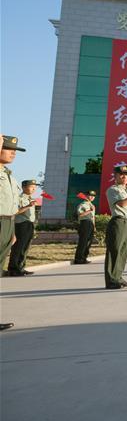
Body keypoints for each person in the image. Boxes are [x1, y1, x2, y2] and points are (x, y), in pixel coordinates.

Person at [0, 134, 26, 330]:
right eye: (8, 148)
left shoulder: (10, 175)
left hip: (8, 223)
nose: (13, 153)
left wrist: (12, 229)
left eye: (15, 150)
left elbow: (12, 205)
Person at [105, 164, 127, 289]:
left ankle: (118, 277)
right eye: (121, 174)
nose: (124, 176)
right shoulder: (113, 189)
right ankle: (111, 280)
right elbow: (122, 204)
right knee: (114, 251)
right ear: (115, 176)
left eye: (126, 174)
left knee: (123, 251)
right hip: (118, 222)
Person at [7, 179, 37, 276]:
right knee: (18, 247)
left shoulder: (30, 198)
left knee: (26, 247)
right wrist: (28, 206)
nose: (34, 188)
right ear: (24, 187)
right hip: (21, 224)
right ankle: (13, 269)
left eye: (34, 187)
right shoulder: (19, 198)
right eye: (31, 186)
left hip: (30, 224)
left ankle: (21, 267)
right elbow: (15, 211)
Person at [74, 190, 97, 264]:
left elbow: (93, 217)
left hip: (90, 224)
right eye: (90, 195)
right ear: (86, 196)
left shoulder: (91, 205)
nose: (92, 197)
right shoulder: (82, 204)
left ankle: (84, 257)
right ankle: (78, 258)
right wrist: (89, 210)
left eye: (93, 196)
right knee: (83, 242)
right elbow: (80, 215)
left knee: (89, 242)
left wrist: (94, 226)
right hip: (84, 223)